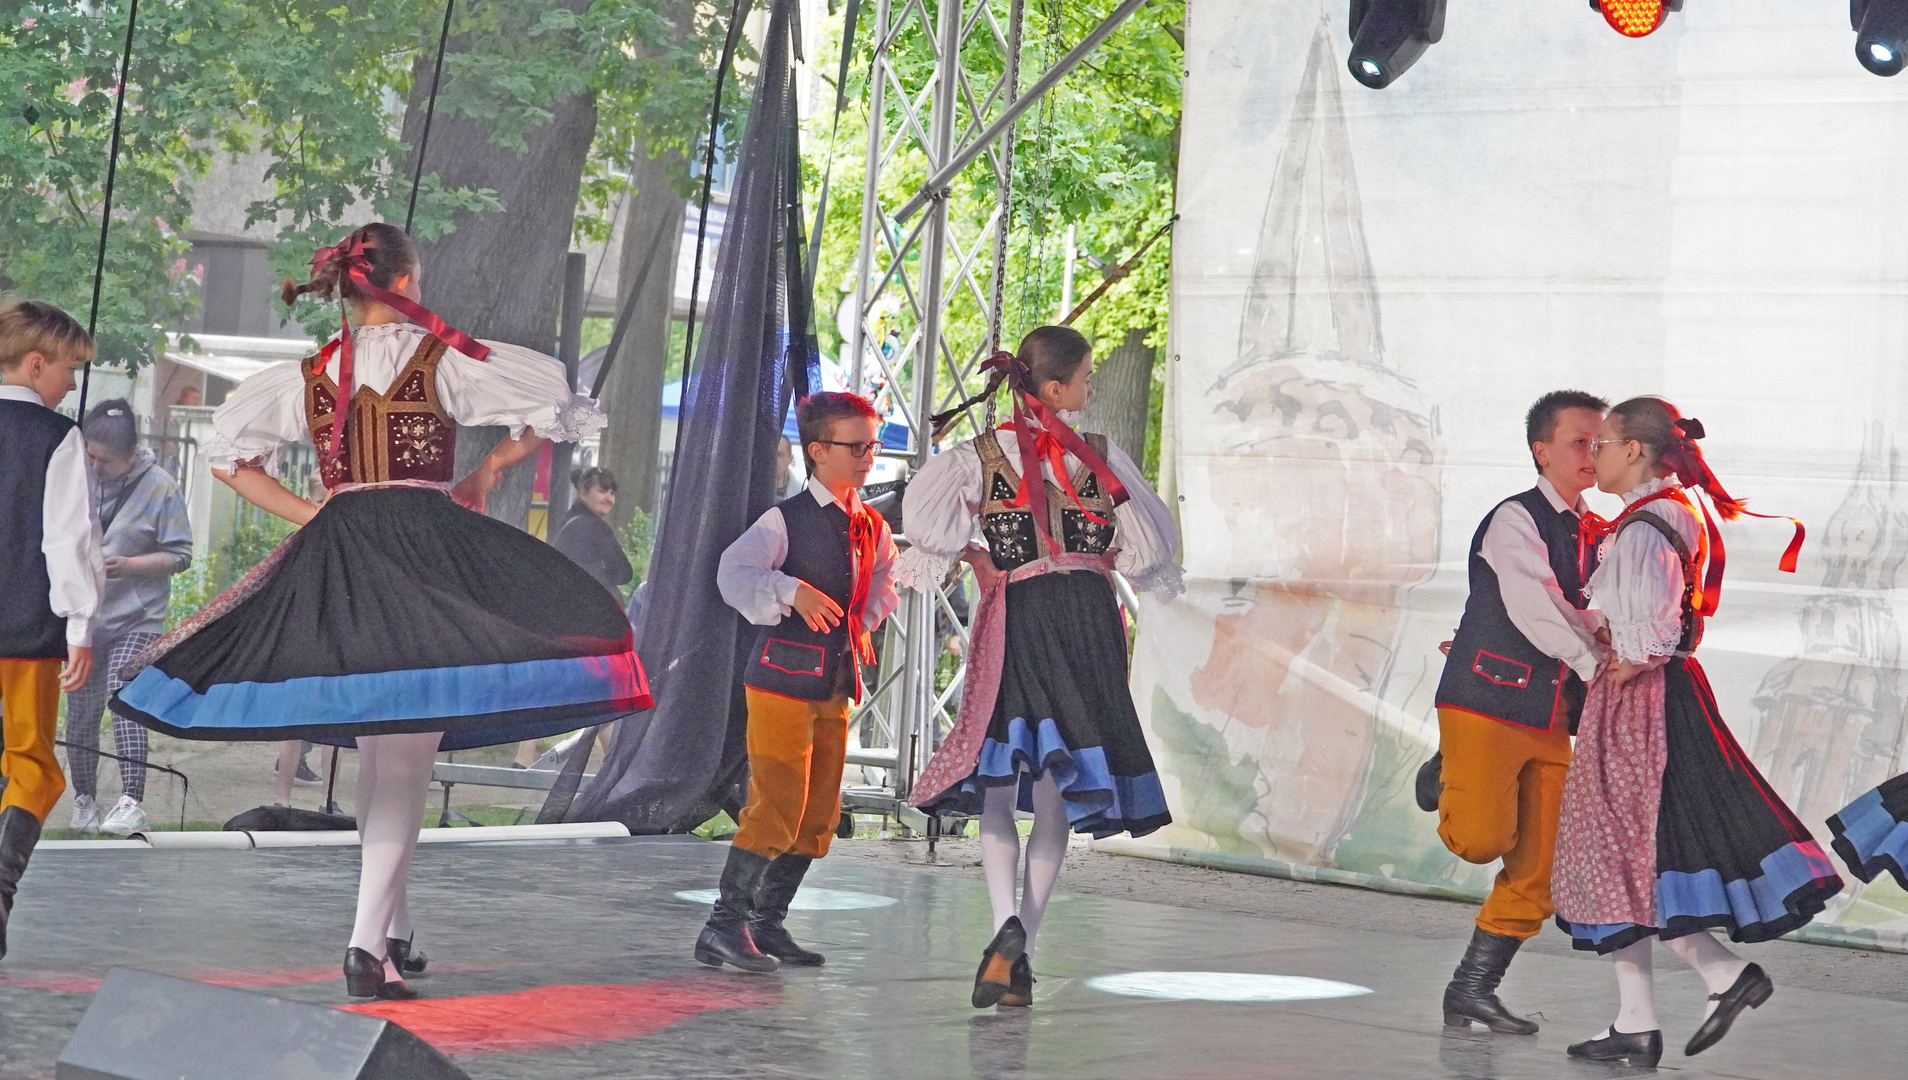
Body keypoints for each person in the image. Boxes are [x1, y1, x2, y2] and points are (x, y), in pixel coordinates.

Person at [108, 224, 650, 1000]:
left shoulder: (313, 373)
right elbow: (557, 402)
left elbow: (229, 460)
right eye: (418, 278)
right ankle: (365, 946)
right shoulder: (439, 359)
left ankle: (391, 930)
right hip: (422, 555)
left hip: (345, 560)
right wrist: (488, 470)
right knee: (404, 761)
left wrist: (318, 516)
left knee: (380, 752)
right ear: (405, 283)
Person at [1553, 396, 1842, 1067]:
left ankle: (1719, 974)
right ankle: (1638, 1018)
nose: (1593, 455)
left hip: (1644, 705)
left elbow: (1654, 630)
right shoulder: (1666, 512)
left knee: (1628, 852)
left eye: (1602, 443)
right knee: (1620, 855)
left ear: (1634, 450)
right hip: (1652, 698)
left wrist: (1629, 658)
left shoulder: (1648, 525)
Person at [898, 326, 1182, 1009]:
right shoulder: (1101, 458)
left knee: (1001, 784)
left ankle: (1006, 929)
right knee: (1056, 789)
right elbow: (1149, 548)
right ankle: (1022, 947)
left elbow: (928, 525)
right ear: (1054, 390)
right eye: (1084, 379)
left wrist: (976, 553)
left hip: (1019, 613)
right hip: (1085, 619)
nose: (1090, 389)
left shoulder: (978, 457)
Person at [697, 392, 900, 972]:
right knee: (778, 801)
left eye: (872, 446)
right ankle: (723, 926)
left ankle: (767, 923)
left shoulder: (871, 524)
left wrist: (862, 623)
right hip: (781, 678)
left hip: (833, 682)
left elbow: (884, 580)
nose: (868, 456)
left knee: (818, 811)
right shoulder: (785, 520)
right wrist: (790, 589)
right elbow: (733, 573)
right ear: (818, 451)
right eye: (856, 447)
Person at [1424, 390, 1607, 1034]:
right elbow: (1535, 608)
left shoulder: (1600, 531)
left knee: (1542, 866)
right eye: (1579, 441)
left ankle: (1471, 989)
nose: (1593, 453)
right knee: (1480, 841)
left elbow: (1587, 609)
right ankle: (1447, 770)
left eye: (1600, 442)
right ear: (1542, 450)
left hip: (1552, 716)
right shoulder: (1515, 518)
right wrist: (1595, 664)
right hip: (1487, 699)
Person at [0, 300, 103, 960]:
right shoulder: (55, 436)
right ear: (36, 364)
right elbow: (69, 537)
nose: (71, 383)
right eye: (69, 368)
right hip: (25, 635)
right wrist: (80, 624)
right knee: (31, 767)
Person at [62, 400, 192, 836]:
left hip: (138, 616)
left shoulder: (161, 488)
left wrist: (132, 565)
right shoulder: (79, 478)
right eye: (90, 456)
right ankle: (83, 800)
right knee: (81, 712)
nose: (95, 466)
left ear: (131, 454)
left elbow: (181, 554)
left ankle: (131, 801)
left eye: (106, 460)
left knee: (123, 695)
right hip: (85, 617)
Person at [551, 466, 633, 594]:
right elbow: (624, 573)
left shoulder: (566, 521)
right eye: (602, 491)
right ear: (584, 493)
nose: (609, 499)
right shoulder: (597, 528)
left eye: (612, 493)